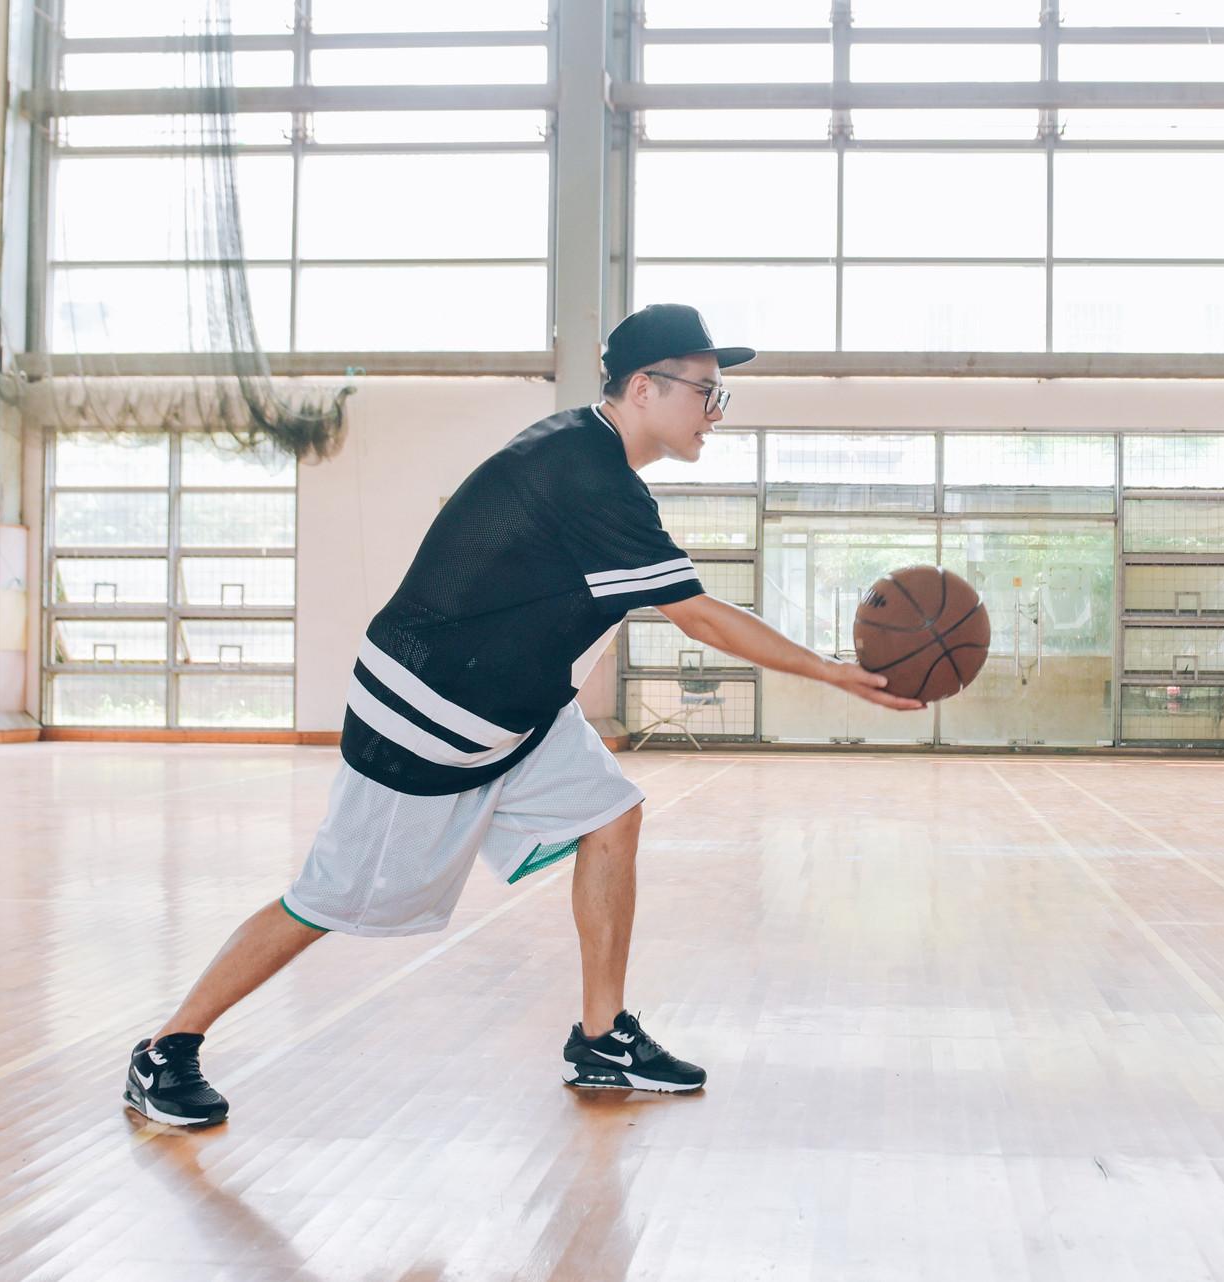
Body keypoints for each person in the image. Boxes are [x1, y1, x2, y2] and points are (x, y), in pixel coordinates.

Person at [123, 304, 921, 1127]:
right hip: (426, 721)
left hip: (517, 708)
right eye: (705, 393)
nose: (714, 413)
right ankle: (165, 1050)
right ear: (644, 388)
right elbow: (699, 615)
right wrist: (832, 673)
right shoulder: (587, 474)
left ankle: (603, 1039)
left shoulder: (587, 450)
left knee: (613, 815)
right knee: (328, 902)